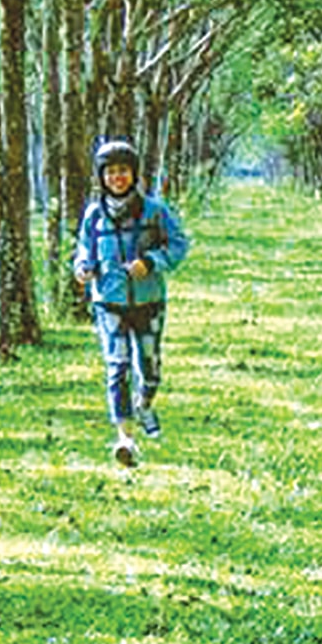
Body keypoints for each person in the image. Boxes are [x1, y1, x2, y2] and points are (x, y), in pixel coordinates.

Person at [73, 137, 190, 467]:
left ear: (134, 174)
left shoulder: (155, 211)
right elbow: (84, 248)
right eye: (110, 172)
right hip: (108, 302)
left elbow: (179, 245)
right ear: (101, 177)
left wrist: (151, 262)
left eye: (123, 171)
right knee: (117, 367)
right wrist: (83, 267)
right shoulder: (94, 215)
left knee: (149, 368)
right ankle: (125, 439)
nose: (116, 178)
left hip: (148, 301)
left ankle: (146, 403)